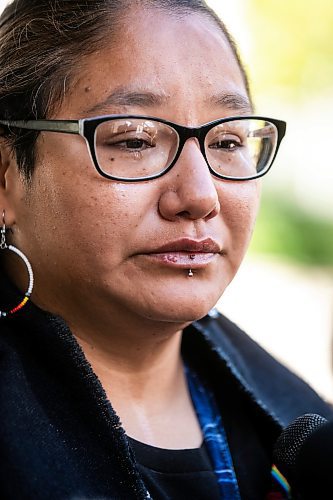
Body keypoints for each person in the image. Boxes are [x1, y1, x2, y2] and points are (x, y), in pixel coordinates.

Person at [0, 1, 331, 499]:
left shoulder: (301, 430)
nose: (200, 196)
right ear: (5, 178)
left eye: (227, 140)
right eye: (134, 140)